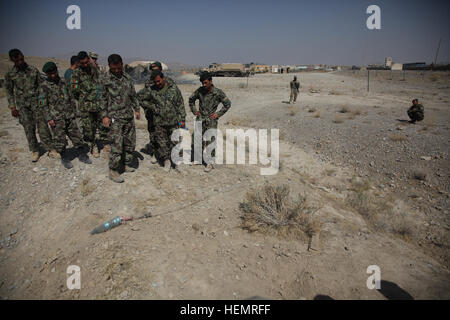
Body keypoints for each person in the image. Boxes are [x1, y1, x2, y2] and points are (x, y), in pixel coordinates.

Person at [4, 49, 58, 162]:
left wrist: (44, 102)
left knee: (43, 127)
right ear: (12, 60)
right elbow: (8, 91)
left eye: (21, 59)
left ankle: (50, 149)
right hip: (23, 106)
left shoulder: (33, 70)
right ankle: (35, 150)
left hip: (37, 104)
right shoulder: (10, 74)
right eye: (17, 60)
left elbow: (42, 85)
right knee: (29, 128)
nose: (20, 62)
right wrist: (12, 107)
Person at [39, 62, 92, 169]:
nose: (53, 75)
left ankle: (82, 154)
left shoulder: (63, 82)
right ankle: (64, 157)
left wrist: (75, 112)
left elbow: (71, 97)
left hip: (69, 115)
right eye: (50, 74)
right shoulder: (44, 86)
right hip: (56, 118)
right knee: (59, 139)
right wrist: (49, 118)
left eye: (54, 72)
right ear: (47, 74)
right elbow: (43, 105)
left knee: (76, 136)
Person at [101, 54, 140, 183]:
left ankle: (125, 164)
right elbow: (101, 99)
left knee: (129, 143)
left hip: (128, 115)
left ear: (122, 64)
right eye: (114, 68)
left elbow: (133, 95)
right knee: (117, 145)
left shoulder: (127, 77)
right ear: (109, 66)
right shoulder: (105, 79)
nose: (117, 71)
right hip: (114, 117)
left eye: (119, 68)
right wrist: (104, 116)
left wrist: (137, 109)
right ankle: (113, 170)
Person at [139, 70, 186, 172]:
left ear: (163, 78)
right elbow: (139, 97)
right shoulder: (151, 90)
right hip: (159, 122)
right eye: (155, 82)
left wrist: (182, 119)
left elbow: (180, 104)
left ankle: (177, 162)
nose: (158, 83)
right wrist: (152, 106)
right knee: (162, 143)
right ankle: (167, 161)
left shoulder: (173, 88)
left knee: (176, 142)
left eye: (159, 81)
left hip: (173, 121)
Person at [188, 72, 231, 172]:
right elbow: (191, 100)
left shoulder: (218, 92)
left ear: (211, 81)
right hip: (200, 118)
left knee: (210, 140)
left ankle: (210, 162)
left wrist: (218, 114)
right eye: (202, 83)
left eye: (206, 83)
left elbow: (227, 104)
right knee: (197, 139)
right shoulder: (200, 91)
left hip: (211, 119)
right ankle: (197, 159)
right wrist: (195, 111)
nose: (204, 85)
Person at [71, 51, 110, 157]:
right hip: (86, 106)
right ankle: (93, 146)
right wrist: (85, 98)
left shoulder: (95, 70)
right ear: (79, 63)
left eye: (86, 62)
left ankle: (105, 143)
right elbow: (75, 91)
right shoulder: (76, 73)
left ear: (88, 59)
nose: (85, 65)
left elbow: (101, 83)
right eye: (82, 63)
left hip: (98, 103)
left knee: (103, 125)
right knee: (89, 128)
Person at [137, 61, 175, 163]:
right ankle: (155, 152)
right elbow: (143, 97)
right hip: (152, 113)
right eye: (152, 70)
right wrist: (150, 107)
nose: (154, 72)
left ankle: (167, 155)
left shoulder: (169, 81)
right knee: (153, 133)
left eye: (156, 70)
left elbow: (174, 96)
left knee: (166, 135)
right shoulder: (149, 82)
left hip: (166, 114)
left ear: (161, 70)